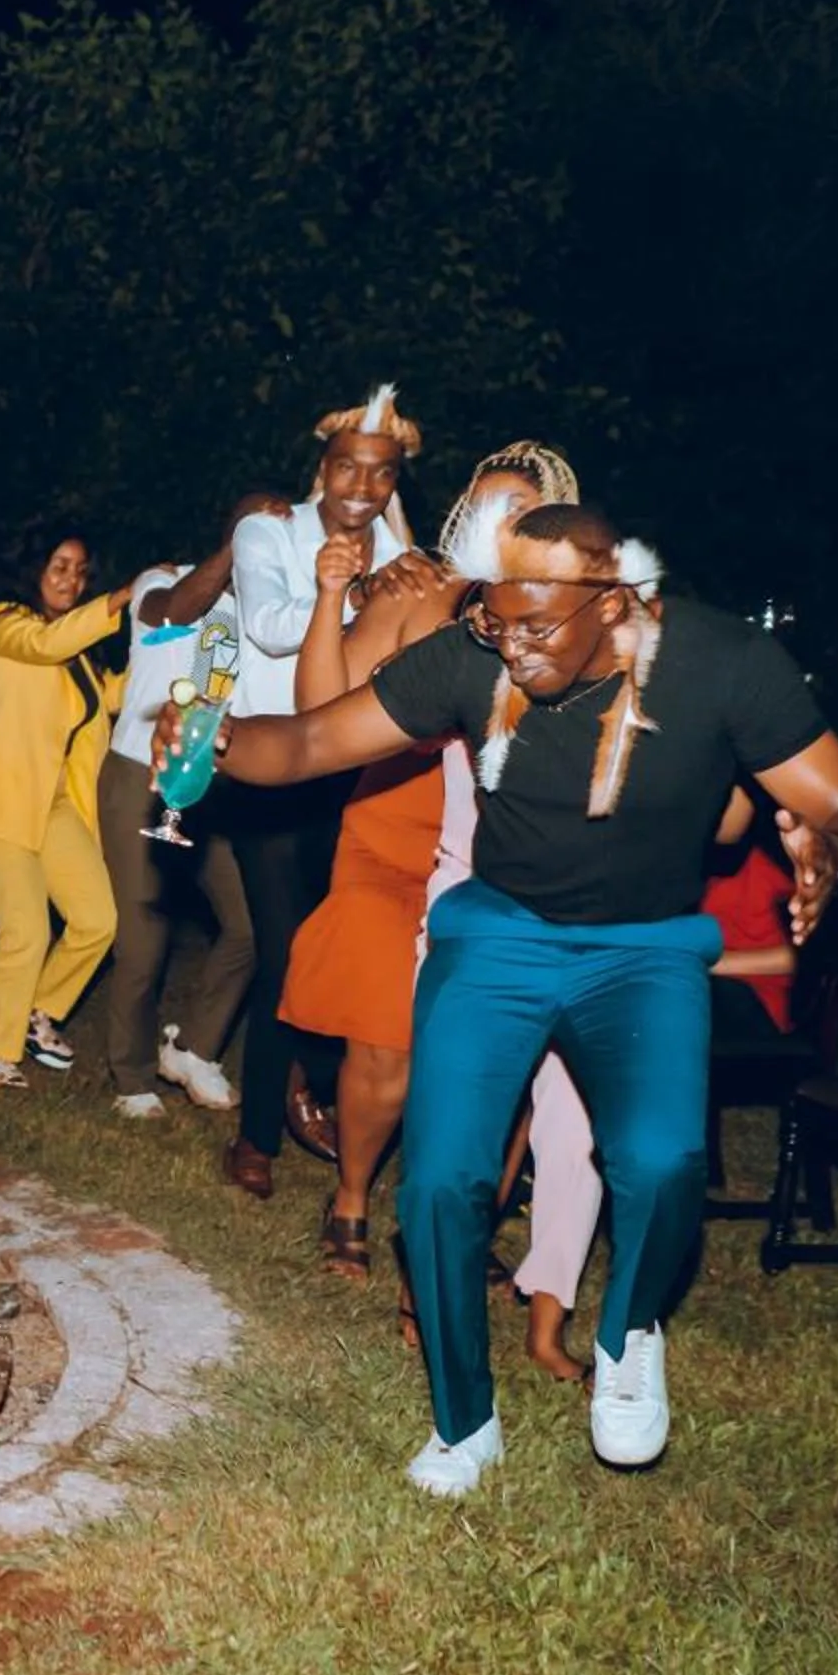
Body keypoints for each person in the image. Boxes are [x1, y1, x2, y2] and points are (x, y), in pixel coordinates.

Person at [188, 501, 838, 1495]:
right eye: (495, 619)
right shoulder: (477, 649)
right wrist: (217, 737)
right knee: (437, 1180)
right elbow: (306, 742)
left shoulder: (720, 662)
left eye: (536, 626)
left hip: (643, 949)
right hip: (501, 936)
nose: (510, 646)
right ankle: (463, 1421)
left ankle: (629, 1330)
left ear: (613, 603)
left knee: (661, 1158)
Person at [281, 445, 581, 1285]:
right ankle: (349, 1197)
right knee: (387, 1041)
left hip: (504, 860)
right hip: (389, 836)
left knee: (497, 1061)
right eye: (482, 508)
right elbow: (320, 710)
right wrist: (336, 593)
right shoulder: (417, 593)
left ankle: (455, 1217)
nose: (494, 525)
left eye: (517, 511)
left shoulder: (573, 623)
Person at [216, 385, 419, 1198]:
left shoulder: (398, 546)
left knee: (348, 951)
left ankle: (323, 1089)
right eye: (347, 469)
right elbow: (267, 624)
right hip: (273, 770)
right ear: (322, 468)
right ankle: (259, 1130)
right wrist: (355, 595)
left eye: (381, 475)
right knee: (283, 949)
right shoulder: (268, 530)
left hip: (361, 778)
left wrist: (393, 570)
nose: (361, 489)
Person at [0, 538, 143, 1088]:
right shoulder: (6, 623)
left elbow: (110, 698)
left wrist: (176, 661)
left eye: (81, 572)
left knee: (97, 919)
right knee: (27, 931)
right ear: (31, 568)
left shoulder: (77, 654)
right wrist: (120, 599)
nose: (71, 580)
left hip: (52, 803)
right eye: (59, 567)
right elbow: (42, 643)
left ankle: (39, 1011)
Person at [99, 514, 269, 1115]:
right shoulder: (161, 581)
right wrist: (235, 545)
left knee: (251, 924)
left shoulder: (262, 612)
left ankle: (194, 1048)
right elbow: (173, 612)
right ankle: (131, 1075)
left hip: (211, 788)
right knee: (144, 938)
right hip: (140, 778)